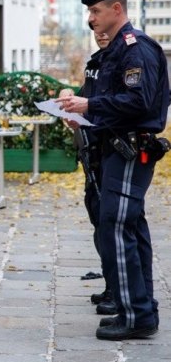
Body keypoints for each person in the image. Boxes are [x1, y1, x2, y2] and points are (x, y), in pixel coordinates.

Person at [57, 0, 169, 340]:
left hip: (131, 149)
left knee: (117, 228)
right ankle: (136, 308)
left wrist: (89, 105)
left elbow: (139, 103)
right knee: (129, 227)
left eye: (96, 11)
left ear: (116, 9)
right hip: (117, 147)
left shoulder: (135, 50)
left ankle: (136, 316)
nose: (91, 19)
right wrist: (82, 108)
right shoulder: (115, 52)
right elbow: (112, 100)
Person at [59, 28, 117, 317]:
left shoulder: (125, 60)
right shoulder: (97, 64)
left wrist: (86, 108)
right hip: (92, 155)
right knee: (99, 223)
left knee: (113, 226)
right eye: (96, 31)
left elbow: (128, 104)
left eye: (106, 30)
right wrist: (71, 101)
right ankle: (112, 285)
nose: (101, 34)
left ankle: (121, 292)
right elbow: (87, 101)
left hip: (113, 153)